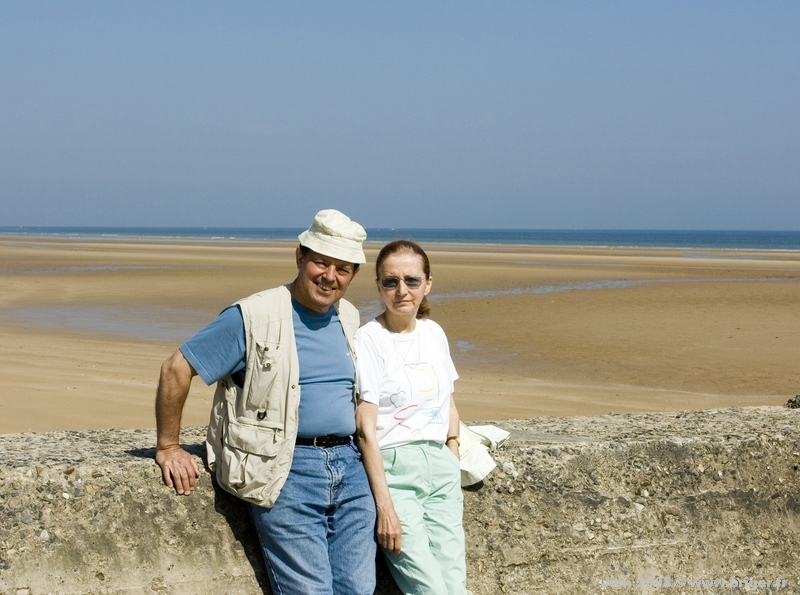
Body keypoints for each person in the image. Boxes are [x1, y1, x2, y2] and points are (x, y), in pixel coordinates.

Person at [154, 209, 377, 595]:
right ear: (300, 257)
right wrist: (168, 446)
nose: (330, 276)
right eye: (321, 263)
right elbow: (176, 368)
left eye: (342, 269)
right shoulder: (252, 315)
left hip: (351, 469)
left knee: (358, 589)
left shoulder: (349, 316)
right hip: (285, 469)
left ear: (352, 275)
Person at [354, 239, 467, 595]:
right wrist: (384, 506)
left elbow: (447, 399)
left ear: (427, 284)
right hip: (396, 469)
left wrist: (452, 446)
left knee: (455, 583)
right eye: (391, 281)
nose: (402, 291)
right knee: (429, 588)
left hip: (441, 467)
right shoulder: (368, 339)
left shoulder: (434, 333)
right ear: (379, 287)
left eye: (412, 280)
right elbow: (365, 429)